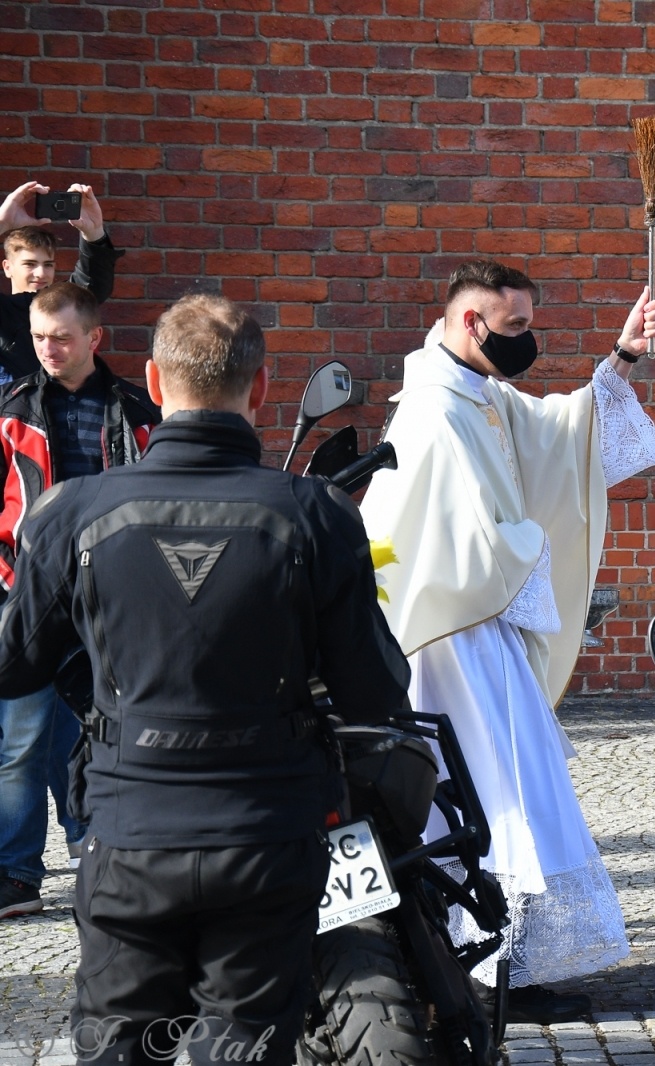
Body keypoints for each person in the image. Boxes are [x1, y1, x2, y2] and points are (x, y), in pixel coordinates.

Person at [0, 293, 410, 1065]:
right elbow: (375, 692)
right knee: (246, 1050)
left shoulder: (73, 511)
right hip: (266, 832)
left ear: (154, 382)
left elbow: (13, 663)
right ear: (259, 391)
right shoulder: (316, 512)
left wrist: (96, 672)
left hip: (130, 828)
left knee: (118, 1049)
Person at [358, 259, 655, 1023]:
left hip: (478, 626)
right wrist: (531, 547)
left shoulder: (479, 393)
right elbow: (460, 539)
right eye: (516, 327)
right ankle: (481, 967)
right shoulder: (433, 410)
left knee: (513, 786)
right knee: (488, 791)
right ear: (472, 322)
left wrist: (621, 357)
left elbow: (559, 432)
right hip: (448, 637)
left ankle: (499, 961)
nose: (527, 342)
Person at [0, 281, 159, 919]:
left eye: (62, 337)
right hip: (28, 589)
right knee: (18, 738)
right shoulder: (12, 408)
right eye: (39, 337)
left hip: (110, 589)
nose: (49, 349)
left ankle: (101, 851)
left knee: (107, 728)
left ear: (94, 338)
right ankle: (15, 873)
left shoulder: (135, 407)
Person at [0, 182, 118, 384]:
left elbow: (92, 285)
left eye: (48, 264)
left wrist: (94, 232)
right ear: (7, 267)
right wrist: (2, 222)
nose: (40, 273)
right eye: (30, 264)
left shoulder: (65, 306)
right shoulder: (4, 312)